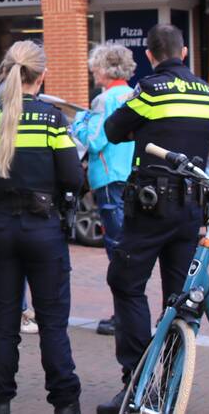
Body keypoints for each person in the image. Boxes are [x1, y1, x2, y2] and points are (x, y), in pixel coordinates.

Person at [0, 40, 83, 414]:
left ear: (4, 72)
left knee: (3, 328)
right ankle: (65, 405)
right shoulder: (52, 119)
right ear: (41, 76)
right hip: (43, 232)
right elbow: (74, 178)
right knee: (53, 325)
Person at [96, 24, 209, 414]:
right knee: (177, 299)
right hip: (191, 208)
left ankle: (136, 381)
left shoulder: (149, 90)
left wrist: (142, 126)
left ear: (150, 55)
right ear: (183, 51)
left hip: (151, 208)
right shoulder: (205, 92)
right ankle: (169, 384)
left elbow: (113, 131)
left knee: (126, 283)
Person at [71, 42, 136, 337]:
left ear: (105, 69)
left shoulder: (105, 100)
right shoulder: (133, 94)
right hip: (131, 176)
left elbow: (95, 140)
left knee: (117, 250)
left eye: (95, 67)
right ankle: (131, 311)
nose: (92, 72)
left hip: (108, 180)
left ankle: (123, 315)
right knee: (130, 249)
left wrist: (79, 122)